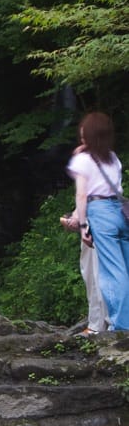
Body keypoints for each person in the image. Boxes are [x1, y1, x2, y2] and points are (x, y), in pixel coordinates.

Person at [63, 112, 129, 332]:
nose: (82, 141)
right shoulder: (113, 158)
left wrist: (82, 225)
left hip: (99, 213)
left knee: (112, 273)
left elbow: (83, 195)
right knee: (125, 268)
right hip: (119, 212)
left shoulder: (83, 160)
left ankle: (120, 327)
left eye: (84, 137)